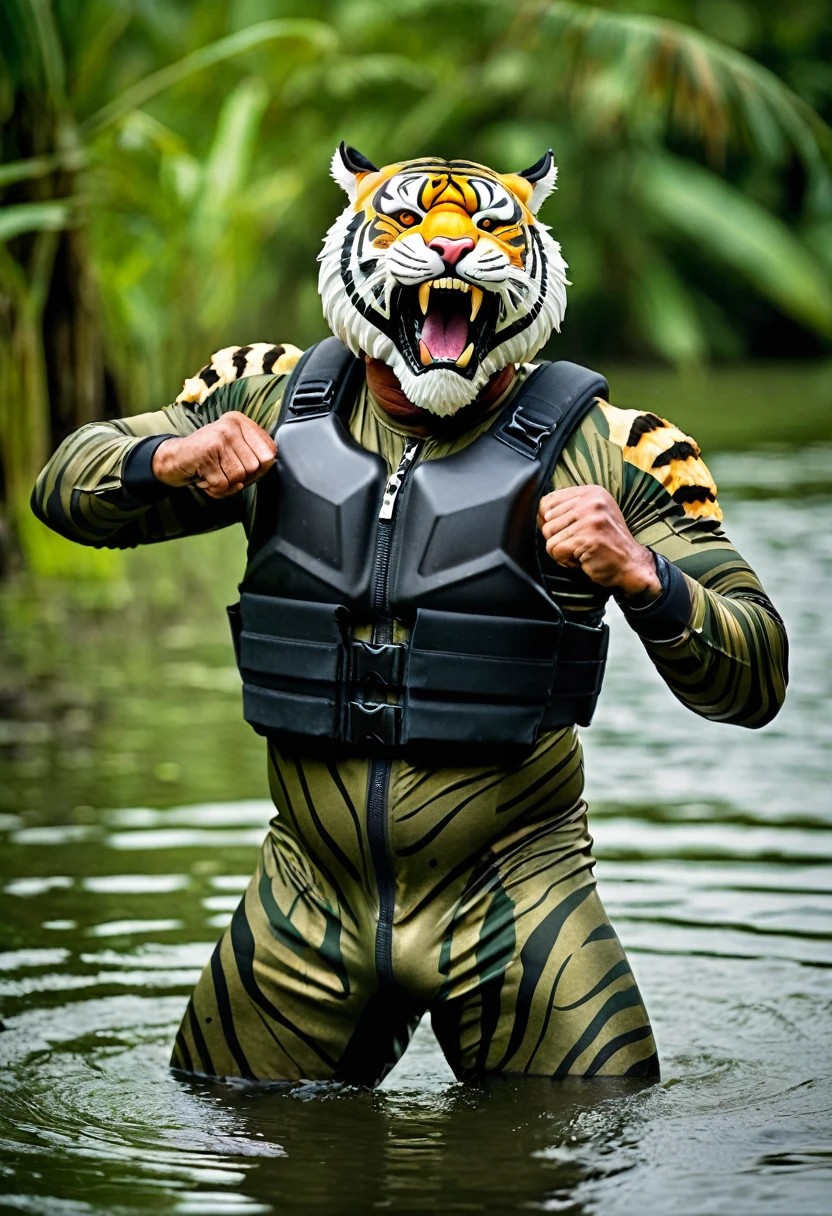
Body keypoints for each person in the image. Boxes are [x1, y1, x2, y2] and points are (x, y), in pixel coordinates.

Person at [32, 146, 787, 1085]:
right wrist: (170, 463)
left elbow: (759, 678)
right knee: (223, 1134)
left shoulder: (615, 449)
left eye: (485, 235)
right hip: (305, 893)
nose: (449, 254)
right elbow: (61, 488)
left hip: (520, 898)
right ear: (352, 250)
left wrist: (643, 575)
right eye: (408, 232)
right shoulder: (265, 402)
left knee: (583, 1153)